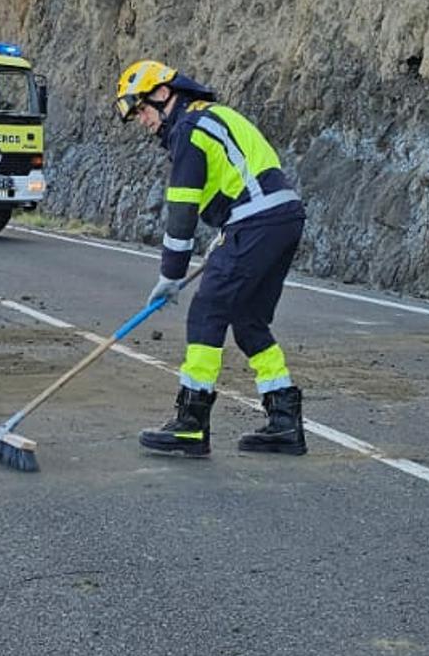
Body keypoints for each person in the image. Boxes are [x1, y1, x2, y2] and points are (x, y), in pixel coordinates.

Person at [116, 58, 307, 457]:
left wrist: (170, 276)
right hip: (281, 216)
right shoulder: (211, 118)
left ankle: (191, 420)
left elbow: (182, 211)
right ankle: (284, 420)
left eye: (143, 111)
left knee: (207, 312)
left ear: (163, 94)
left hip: (257, 221)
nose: (144, 122)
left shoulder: (189, 129)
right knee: (248, 319)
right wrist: (228, 234)